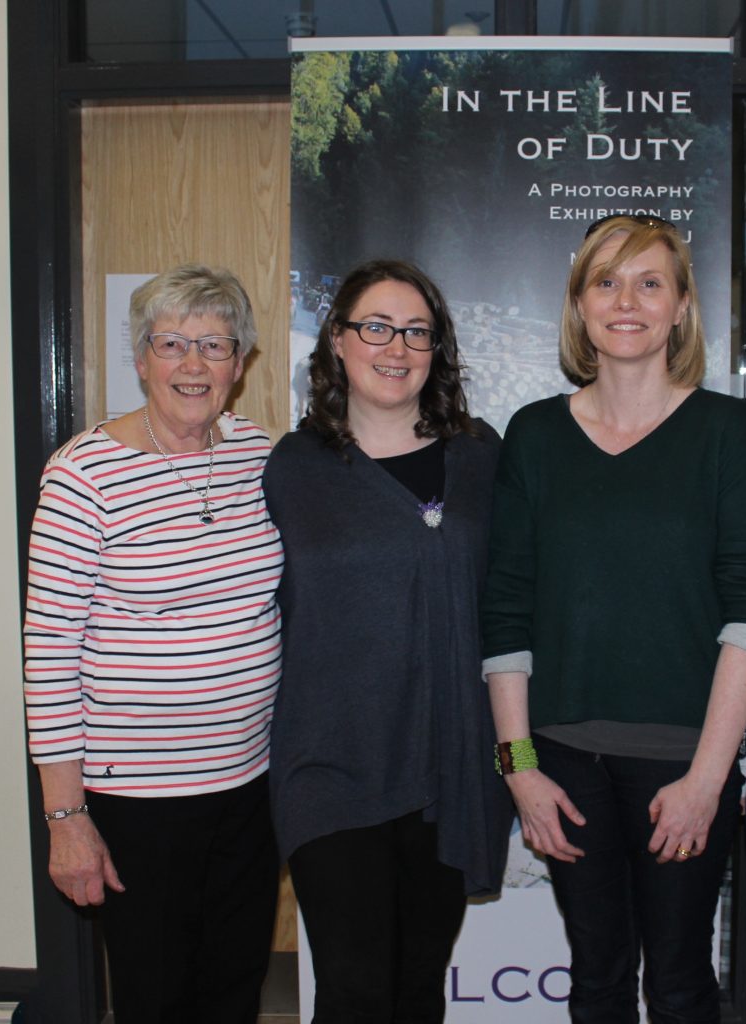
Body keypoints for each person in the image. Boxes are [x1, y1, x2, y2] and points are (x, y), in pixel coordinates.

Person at [482, 215, 746, 1024]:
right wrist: (518, 768)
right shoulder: (536, 435)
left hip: (685, 766)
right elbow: (505, 610)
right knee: (597, 980)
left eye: (650, 282)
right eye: (605, 282)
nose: (627, 301)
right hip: (563, 765)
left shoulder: (728, 434)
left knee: (682, 984)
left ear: (682, 306)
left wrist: (709, 781)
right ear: (579, 304)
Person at [23, 264, 284, 1024]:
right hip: (136, 800)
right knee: (157, 1001)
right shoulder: (83, 476)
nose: (194, 365)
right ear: (140, 359)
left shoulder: (258, 456)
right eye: (173, 343)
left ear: (241, 364)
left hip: (248, 786)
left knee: (234, 991)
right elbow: (48, 655)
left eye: (215, 344)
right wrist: (66, 821)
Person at [264, 259, 511, 1024]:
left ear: (436, 349)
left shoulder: (481, 457)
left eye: (416, 331)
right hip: (332, 768)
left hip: (448, 767)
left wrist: (520, 759)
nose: (395, 347)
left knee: (415, 990)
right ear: (338, 340)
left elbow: (514, 616)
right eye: (375, 327)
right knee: (354, 990)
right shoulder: (293, 468)